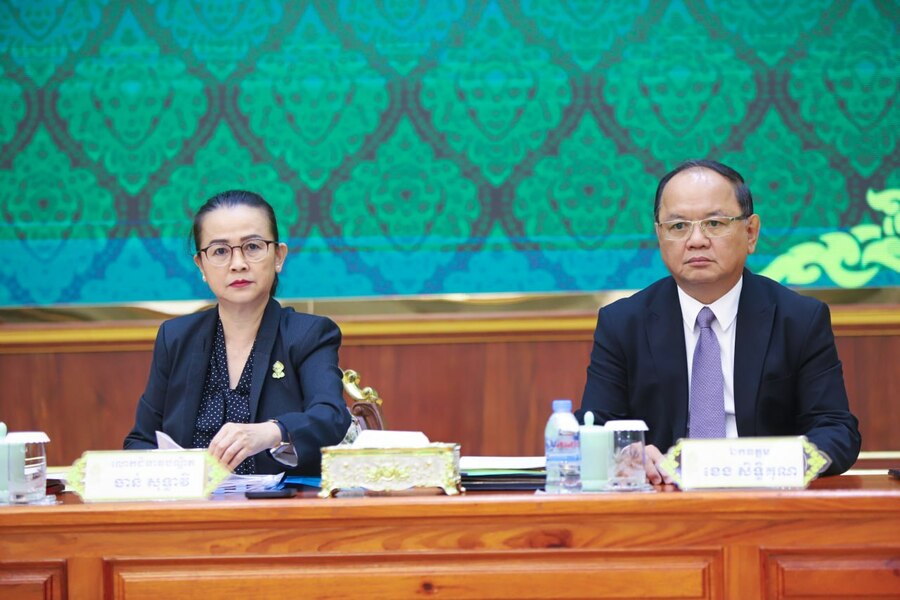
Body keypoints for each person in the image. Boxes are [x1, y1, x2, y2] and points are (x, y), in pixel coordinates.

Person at [577, 160, 861, 483]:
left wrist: (778, 462)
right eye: (678, 226)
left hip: (768, 498)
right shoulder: (623, 324)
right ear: (659, 235)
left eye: (714, 223)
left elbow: (836, 430)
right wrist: (630, 456)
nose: (696, 240)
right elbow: (593, 428)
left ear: (751, 232)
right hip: (663, 500)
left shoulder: (798, 320)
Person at [124, 190, 350, 475]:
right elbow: (140, 441)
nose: (238, 263)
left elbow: (330, 417)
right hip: (193, 501)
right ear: (201, 265)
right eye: (220, 251)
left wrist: (272, 432)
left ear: (278, 256)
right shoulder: (176, 338)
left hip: (282, 501)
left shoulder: (308, 335)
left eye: (253, 247)